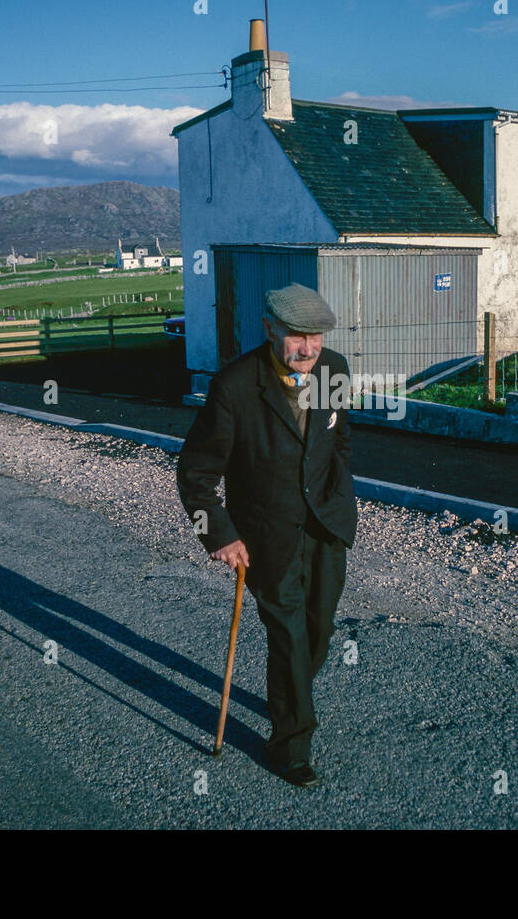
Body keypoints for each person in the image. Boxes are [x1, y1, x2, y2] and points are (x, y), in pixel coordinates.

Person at [176, 284, 357, 787]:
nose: (308, 349)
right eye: (297, 336)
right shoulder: (235, 386)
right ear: (269, 328)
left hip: (326, 527)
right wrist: (219, 536)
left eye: (316, 336)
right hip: (265, 537)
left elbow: (340, 437)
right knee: (292, 638)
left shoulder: (333, 370)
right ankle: (291, 743)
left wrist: (339, 496)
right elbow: (194, 473)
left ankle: (288, 693)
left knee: (319, 629)